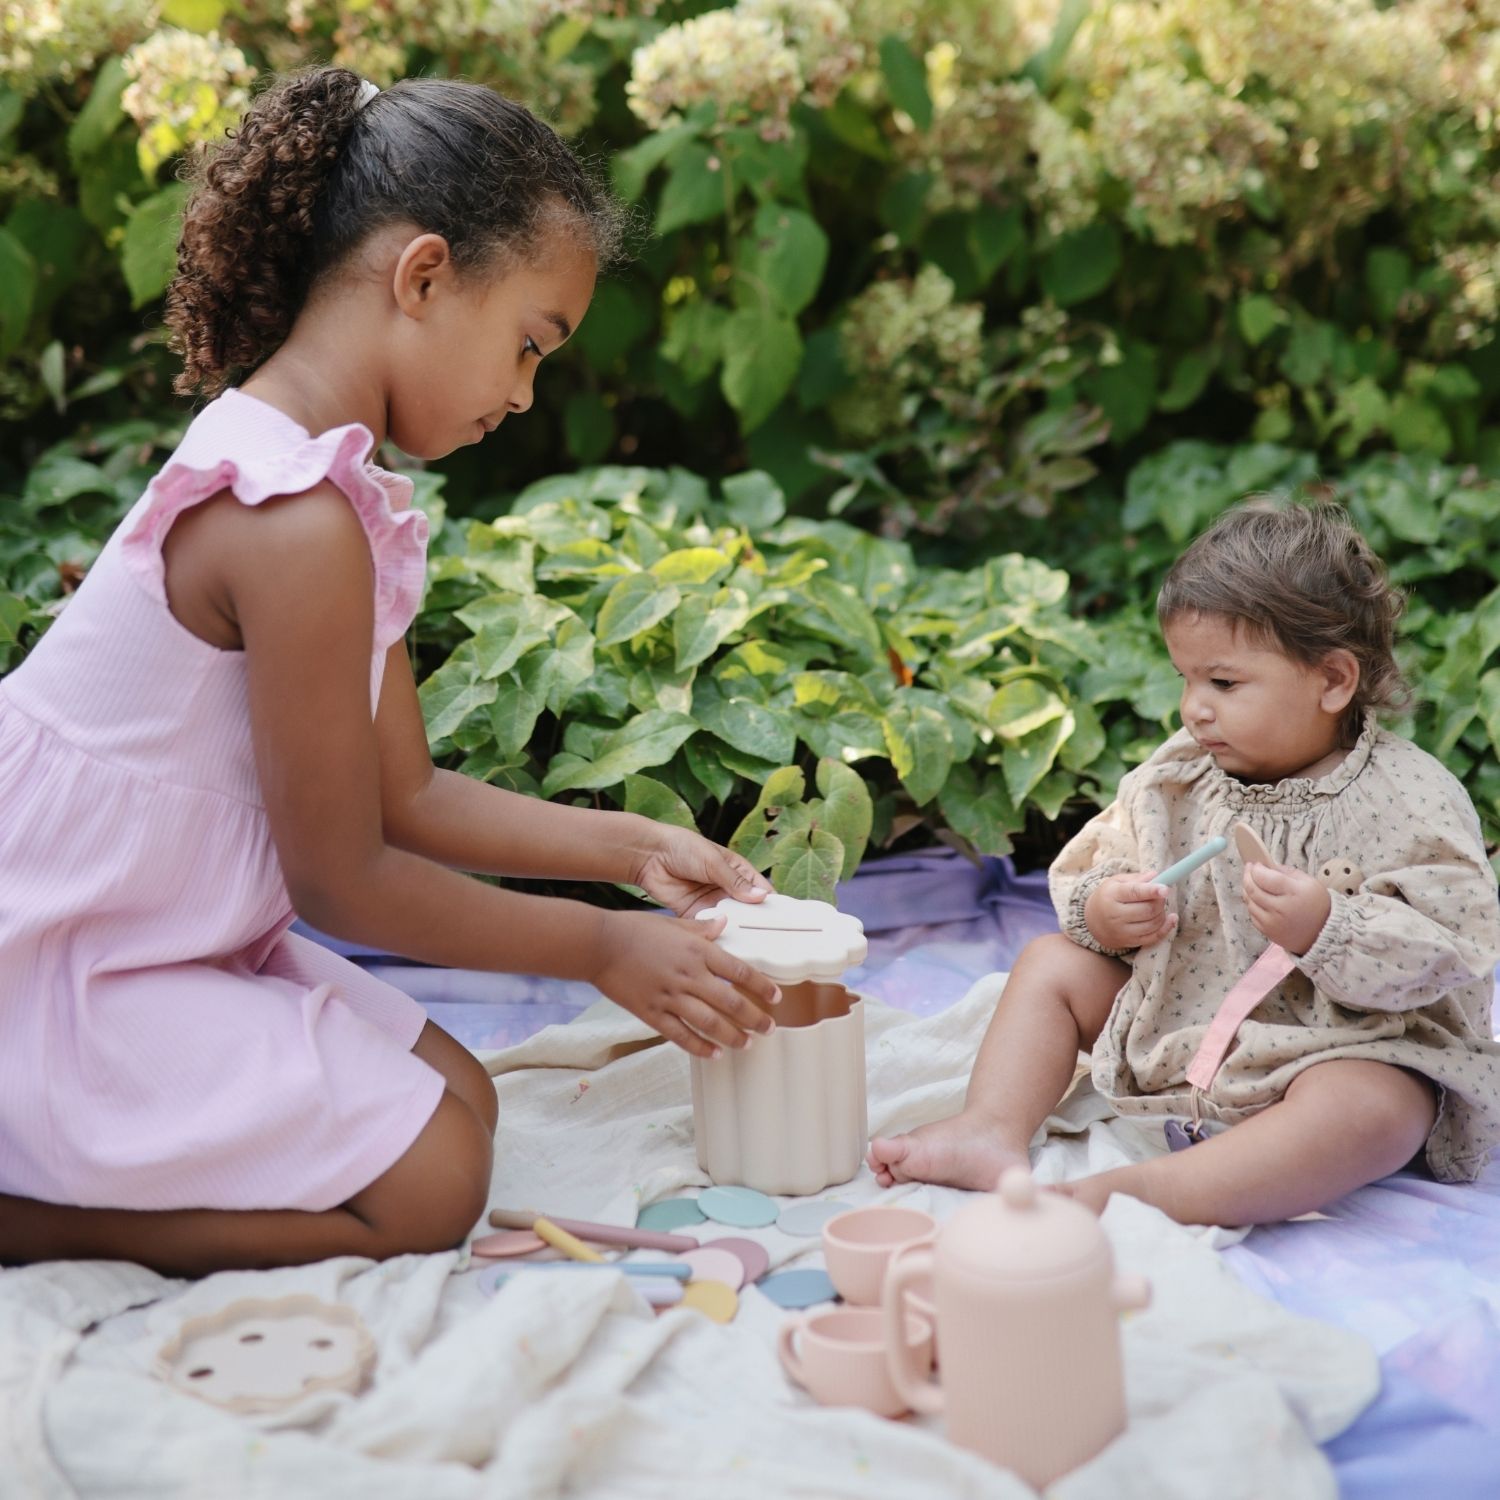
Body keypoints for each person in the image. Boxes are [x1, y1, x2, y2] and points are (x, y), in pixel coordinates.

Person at [0, 68, 782, 1277]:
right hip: (61, 961)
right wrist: (599, 949)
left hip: (165, 935)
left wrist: (630, 851)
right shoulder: (291, 517)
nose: (523, 396)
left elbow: (404, 797)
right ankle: (32, 1218)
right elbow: (342, 880)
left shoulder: (334, 489)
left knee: (465, 1098)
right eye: (527, 346)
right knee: (433, 1184)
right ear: (423, 277)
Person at [869, 502, 1500, 1226]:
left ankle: (1146, 1195)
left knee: (1380, 1107)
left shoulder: (1410, 798)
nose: (1194, 708)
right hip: (1183, 1018)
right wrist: (1107, 908)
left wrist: (1331, 926)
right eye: (1186, 678)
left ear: (1332, 680)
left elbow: (1457, 943)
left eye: (1224, 684)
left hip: (1336, 1045)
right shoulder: (1179, 775)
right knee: (1050, 964)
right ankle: (990, 1129)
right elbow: (1098, 863)